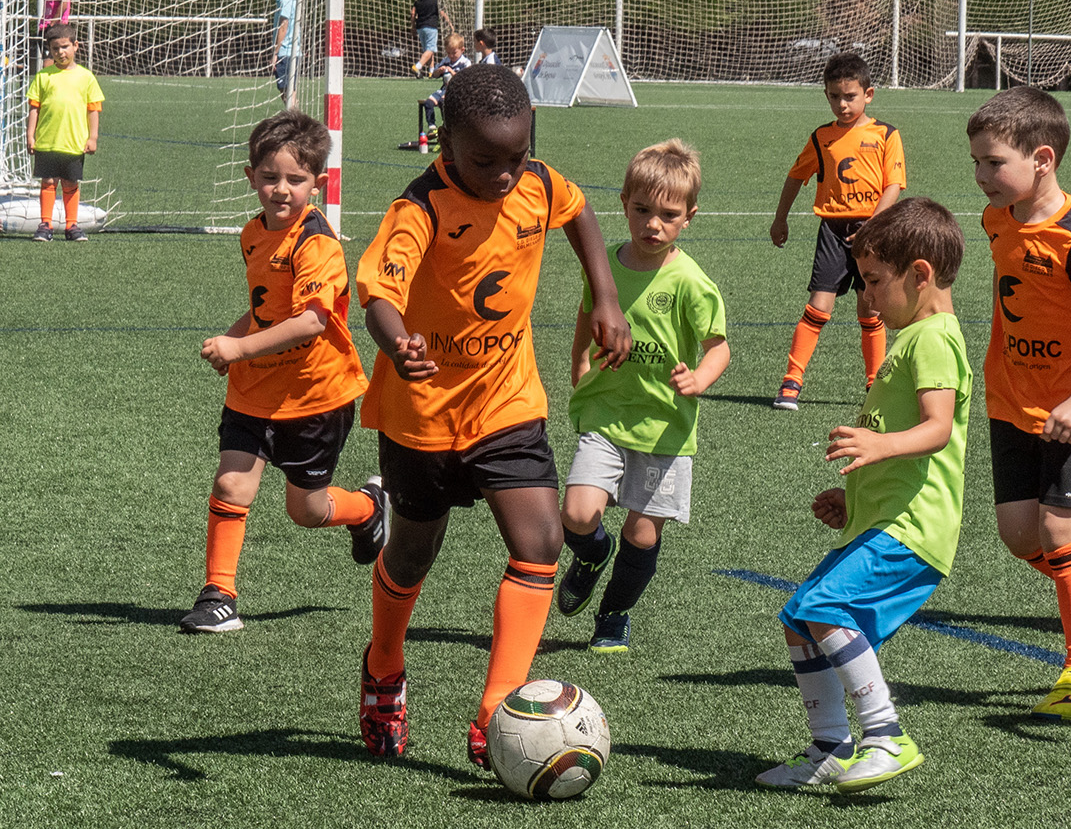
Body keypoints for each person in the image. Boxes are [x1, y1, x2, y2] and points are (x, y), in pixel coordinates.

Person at [353, 64, 631, 768]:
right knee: (414, 553)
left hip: (506, 404)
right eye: (486, 160)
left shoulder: (538, 181)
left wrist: (605, 296)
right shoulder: (421, 206)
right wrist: (399, 342)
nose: (506, 174)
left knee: (538, 545)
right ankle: (384, 664)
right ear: (445, 145)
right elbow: (380, 293)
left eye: (518, 154)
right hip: (422, 413)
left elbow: (578, 212)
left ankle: (497, 709)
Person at [759, 197, 969, 792]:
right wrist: (855, 499)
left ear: (920, 274)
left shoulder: (932, 338)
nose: (867, 296)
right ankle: (830, 747)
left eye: (874, 281)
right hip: (880, 521)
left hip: (911, 530)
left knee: (823, 611)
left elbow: (938, 428)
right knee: (799, 619)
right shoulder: (913, 336)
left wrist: (877, 448)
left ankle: (886, 736)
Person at [181, 111, 388, 634]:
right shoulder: (253, 234)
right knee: (231, 484)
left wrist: (240, 347)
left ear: (318, 183)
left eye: (295, 180)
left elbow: (311, 322)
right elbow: (266, 309)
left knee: (308, 510)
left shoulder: (317, 244)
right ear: (250, 177)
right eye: (270, 177)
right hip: (252, 390)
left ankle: (367, 508)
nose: (281, 190)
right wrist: (231, 339)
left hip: (315, 395)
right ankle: (218, 593)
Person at [968, 87, 1071, 720]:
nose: (983, 176)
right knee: (1019, 535)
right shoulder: (998, 219)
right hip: (1012, 400)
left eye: (994, 163)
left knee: (1062, 529)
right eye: (978, 163)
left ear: (1042, 158)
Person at [557, 140, 729, 652]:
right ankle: (590, 554)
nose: (653, 224)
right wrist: (579, 359)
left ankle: (614, 616)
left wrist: (700, 378)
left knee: (643, 533)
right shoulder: (605, 263)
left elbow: (719, 347)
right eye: (642, 210)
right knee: (578, 513)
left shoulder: (692, 282)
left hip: (664, 428)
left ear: (689, 218)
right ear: (624, 201)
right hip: (607, 413)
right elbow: (590, 314)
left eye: (668, 215)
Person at [769, 52, 906, 410]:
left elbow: (893, 185)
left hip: (873, 230)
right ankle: (791, 381)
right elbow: (796, 176)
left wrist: (874, 226)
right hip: (832, 229)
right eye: (834, 96)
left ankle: (876, 386)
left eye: (850, 96)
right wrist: (780, 218)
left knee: (871, 310)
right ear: (826, 95)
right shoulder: (821, 137)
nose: (842, 104)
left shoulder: (886, 135)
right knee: (818, 306)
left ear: (869, 94)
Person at [25, 23, 104, 243]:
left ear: (75, 46)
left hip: (73, 143)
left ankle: (72, 226)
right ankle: (45, 225)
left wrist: (93, 137)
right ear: (49, 50)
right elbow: (34, 108)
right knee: (48, 181)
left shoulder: (86, 77)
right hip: (47, 142)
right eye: (55, 48)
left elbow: (93, 109)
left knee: (70, 182)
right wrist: (30, 135)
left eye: (65, 47)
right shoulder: (43, 76)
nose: (60, 52)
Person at [399, 33, 471, 152]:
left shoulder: (465, 62)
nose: (451, 56)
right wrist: (439, 70)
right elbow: (434, 75)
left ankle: (446, 127)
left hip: (456, 91)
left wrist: (452, 72)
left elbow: (466, 79)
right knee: (428, 102)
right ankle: (432, 127)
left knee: (444, 101)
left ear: (462, 50)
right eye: (448, 53)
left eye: (454, 53)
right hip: (444, 89)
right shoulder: (446, 60)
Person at [409, 0, 448, 78]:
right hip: (431, 27)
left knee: (428, 50)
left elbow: (413, 13)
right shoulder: (435, 0)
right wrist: (449, 23)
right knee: (430, 49)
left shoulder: (418, 1)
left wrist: (413, 27)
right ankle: (417, 66)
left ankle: (431, 71)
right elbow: (442, 12)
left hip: (420, 28)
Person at [271, 0, 299, 112]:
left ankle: (298, 127)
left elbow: (284, 26)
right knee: (289, 94)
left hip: (286, 53)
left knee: (288, 95)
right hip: (290, 52)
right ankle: (299, 126)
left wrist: (275, 53)